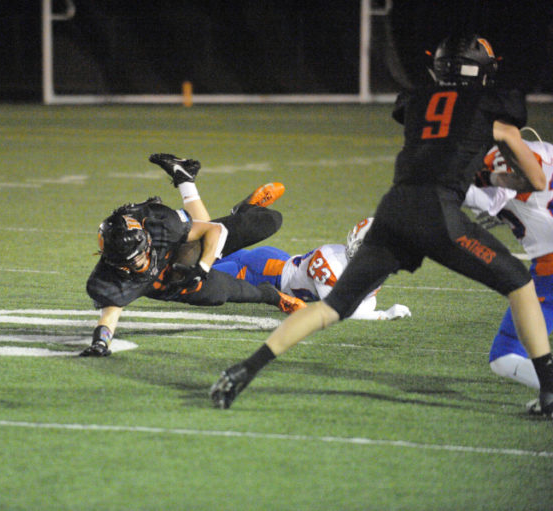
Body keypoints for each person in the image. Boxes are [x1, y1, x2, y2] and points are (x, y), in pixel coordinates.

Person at [210, 34, 553, 419]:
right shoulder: (494, 107)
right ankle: (550, 391)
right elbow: (537, 181)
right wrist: (497, 178)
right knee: (520, 284)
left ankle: (243, 370)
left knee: (332, 307)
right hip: (439, 213)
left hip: (394, 210)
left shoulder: (416, 100)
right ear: (483, 73)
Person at [80, 153, 307, 357]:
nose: (140, 262)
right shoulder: (107, 277)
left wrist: (203, 268)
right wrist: (100, 343)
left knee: (269, 221)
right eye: (131, 262)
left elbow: (210, 229)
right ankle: (275, 297)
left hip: (182, 252)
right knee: (224, 292)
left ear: (146, 238)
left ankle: (241, 210)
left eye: (141, 254)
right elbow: (110, 313)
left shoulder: (161, 225)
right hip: (174, 284)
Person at [464, 136, 553, 407]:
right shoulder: (543, 148)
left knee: (504, 357)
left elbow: (490, 196)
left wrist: (437, 182)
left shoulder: (496, 158)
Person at [213, 218, 412, 321]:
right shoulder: (330, 260)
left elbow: (366, 302)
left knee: (208, 259)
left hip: (275, 262)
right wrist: (383, 315)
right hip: (264, 271)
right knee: (199, 277)